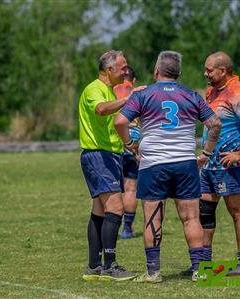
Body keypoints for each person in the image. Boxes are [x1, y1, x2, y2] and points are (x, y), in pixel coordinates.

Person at [114, 50, 222, 283]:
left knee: (152, 218)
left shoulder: (143, 95)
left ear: (156, 71)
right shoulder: (191, 95)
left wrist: (131, 144)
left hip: (153, 165)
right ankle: (198, 271)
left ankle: (153, 272)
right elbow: (215, 123)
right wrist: (205, 153)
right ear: (178, 73)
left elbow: (120, 121)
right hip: (185, 163)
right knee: (191, 218)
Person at [197, 51, 240, 275]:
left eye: (209, 70)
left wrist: (239, 153)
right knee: (204, 211)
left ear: (223, 71)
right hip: (209, 164)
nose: (205, 73)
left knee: (237, 210)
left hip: (230, 165)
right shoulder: (212, 91)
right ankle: (203, 263)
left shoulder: (237, 92)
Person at [79, 50, 141, 281]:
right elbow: (101, 109)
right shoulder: (94, 89)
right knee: (116, 208)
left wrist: (129, 144)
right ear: (109, 70)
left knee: (99, 210)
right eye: (123, 67)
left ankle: (94, 267)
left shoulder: (107, 90)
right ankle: (110, 266)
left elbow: (112, 123)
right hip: (99, 156)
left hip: (108, 156)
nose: (126, 71)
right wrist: (129, 99)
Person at [113, 66, 141, 239]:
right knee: (130, 188)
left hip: (114, 143)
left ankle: (111, 227)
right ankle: (127, 228)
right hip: (133, 144)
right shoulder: (137, 93)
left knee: (113, 188)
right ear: (134, 79)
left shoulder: (110, 91)